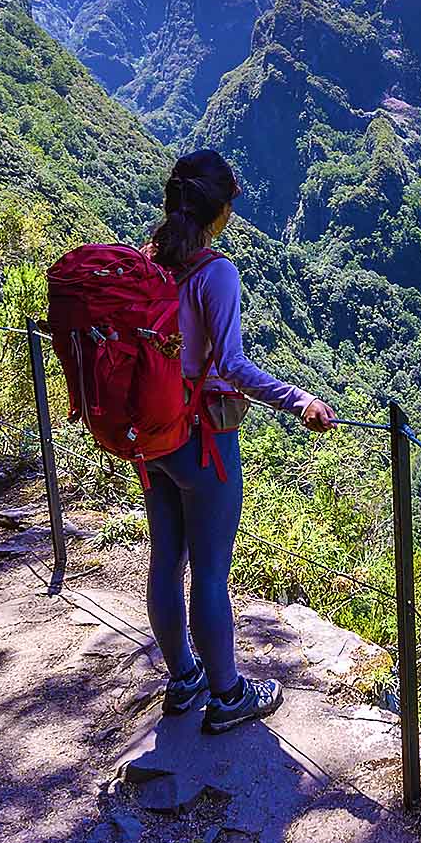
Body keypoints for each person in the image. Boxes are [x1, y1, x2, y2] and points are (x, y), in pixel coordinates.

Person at [143, 149, 336, 733]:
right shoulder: (215, 274)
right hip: (204, 440)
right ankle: (227, 694)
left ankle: (183, 678)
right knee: (209, 574)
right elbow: (231, 366)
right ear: (220, 209)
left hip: (155, 438)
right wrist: (298, 399)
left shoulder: (154, 264)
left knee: (165, 561)